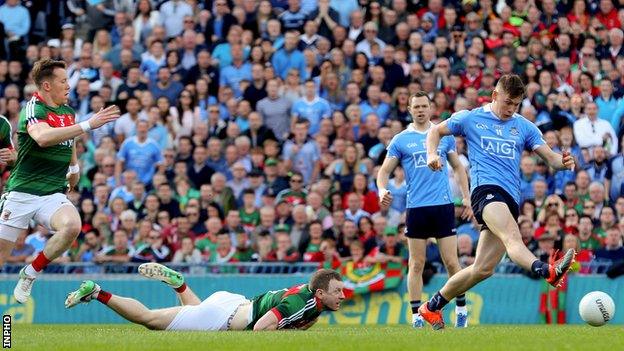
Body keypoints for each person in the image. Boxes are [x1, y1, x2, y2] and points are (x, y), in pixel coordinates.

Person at [420, 74, 576, 329]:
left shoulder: (524, 126)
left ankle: (432, 306)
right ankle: (546, 270)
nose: (510, 109)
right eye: (507, 103)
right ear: (494, 95)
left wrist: (564, 162)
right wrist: (430, 154)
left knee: (482, 269)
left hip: (510, 198)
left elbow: (551, 159)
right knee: (512, 236)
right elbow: (435, 131)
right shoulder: (470, 118)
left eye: (515, 104)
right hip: (486, 192)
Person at [1, 59, 120, 304]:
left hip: (52, 191)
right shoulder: (34, 108)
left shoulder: (67, 111)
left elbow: (70, 138)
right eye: (63, 81)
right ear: (46, 85)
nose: (69, 85)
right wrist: (88, 125)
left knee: (72, 226)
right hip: (22, 192)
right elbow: (43, 137)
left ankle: (30, 272)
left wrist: (74, 167)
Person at [377, 91, 472, 329]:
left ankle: (461, 309)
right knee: (416, 264)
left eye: (424, 106)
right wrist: (381, 189)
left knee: (451, 261)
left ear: (430, 108)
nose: (420, 110)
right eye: (416, 106)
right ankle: (416, 316)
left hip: (442, 206)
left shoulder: (442, 135)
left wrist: (467, 198)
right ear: (409, 110)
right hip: (416, 208)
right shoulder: (401, 140)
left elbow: (459, 168)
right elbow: (384, 172)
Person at [65, 263, 344, 331]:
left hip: (232, 302)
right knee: (148, 319)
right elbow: (260, 329)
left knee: (195, 313)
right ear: (320, 293)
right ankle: (97, 292)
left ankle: (180, 286)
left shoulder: (311, 299)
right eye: (337, 291)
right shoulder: (303, 303)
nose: (342, 296)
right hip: (227, 315)